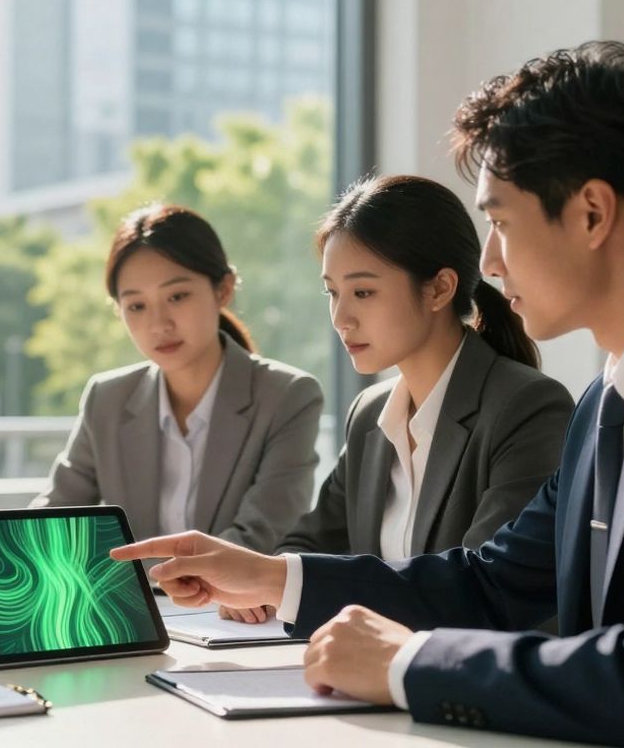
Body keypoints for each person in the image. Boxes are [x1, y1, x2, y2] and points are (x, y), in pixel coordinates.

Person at [113, 41, 624, 746]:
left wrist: (406, 663)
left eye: (500, 221)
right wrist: (271, 577)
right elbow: (491, 584)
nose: (488, 261)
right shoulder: (608, 399)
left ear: (591, 213)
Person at [221, 174, 574, 624]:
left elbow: (484, 592)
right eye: (332, 292)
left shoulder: (527, 407)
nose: (341, 318)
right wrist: (261, 587)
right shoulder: (370, 414)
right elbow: (308, 544)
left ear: (439, 289)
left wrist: (280, 582)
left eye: (363, 292)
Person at [32, 204, 323, 554]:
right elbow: (52, 520)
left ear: (223, 290)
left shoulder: (288, 396)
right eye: (136, 306)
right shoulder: (107, 399)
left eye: (177, 296)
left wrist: (160, 577)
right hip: (131, 590)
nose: (159, 324)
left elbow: (261, 537)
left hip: (226, 592)